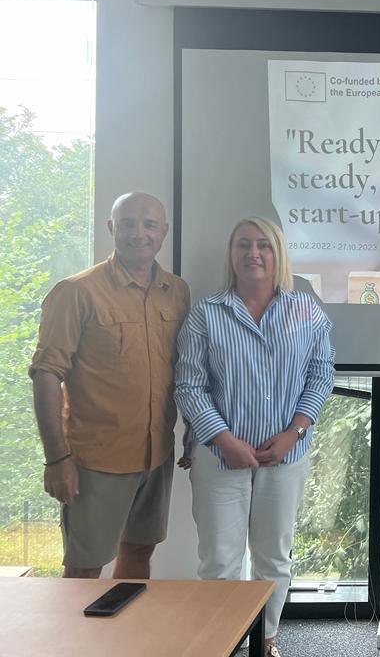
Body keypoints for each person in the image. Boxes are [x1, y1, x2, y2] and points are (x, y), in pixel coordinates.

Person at [175, 217, 334, 657]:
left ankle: (266, 640)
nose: (253, 253)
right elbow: (188, 385)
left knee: (273, 558)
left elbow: (321, 374)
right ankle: (222, 644)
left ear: (278, 253)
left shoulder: (306, 310)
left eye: (264, 244)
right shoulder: (207, 313)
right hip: (219, 458)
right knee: (220, 560)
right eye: (243, 244)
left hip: (286, 457)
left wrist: (294, 432)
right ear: (231, 255)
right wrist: (223, 438)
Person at [29, 192, 190, 578]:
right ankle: (78, 626)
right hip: (96, 461)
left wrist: (194, 432)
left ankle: (126, 622)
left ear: (164, 231)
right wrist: (56, 459)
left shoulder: (176, 291)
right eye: (128, 223)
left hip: (156, 455)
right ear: (111, 228)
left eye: (149, 224)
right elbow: (46, 374)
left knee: (139, 554)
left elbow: (187, 370)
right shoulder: (76, 292)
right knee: (84, 572)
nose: (139, 233)